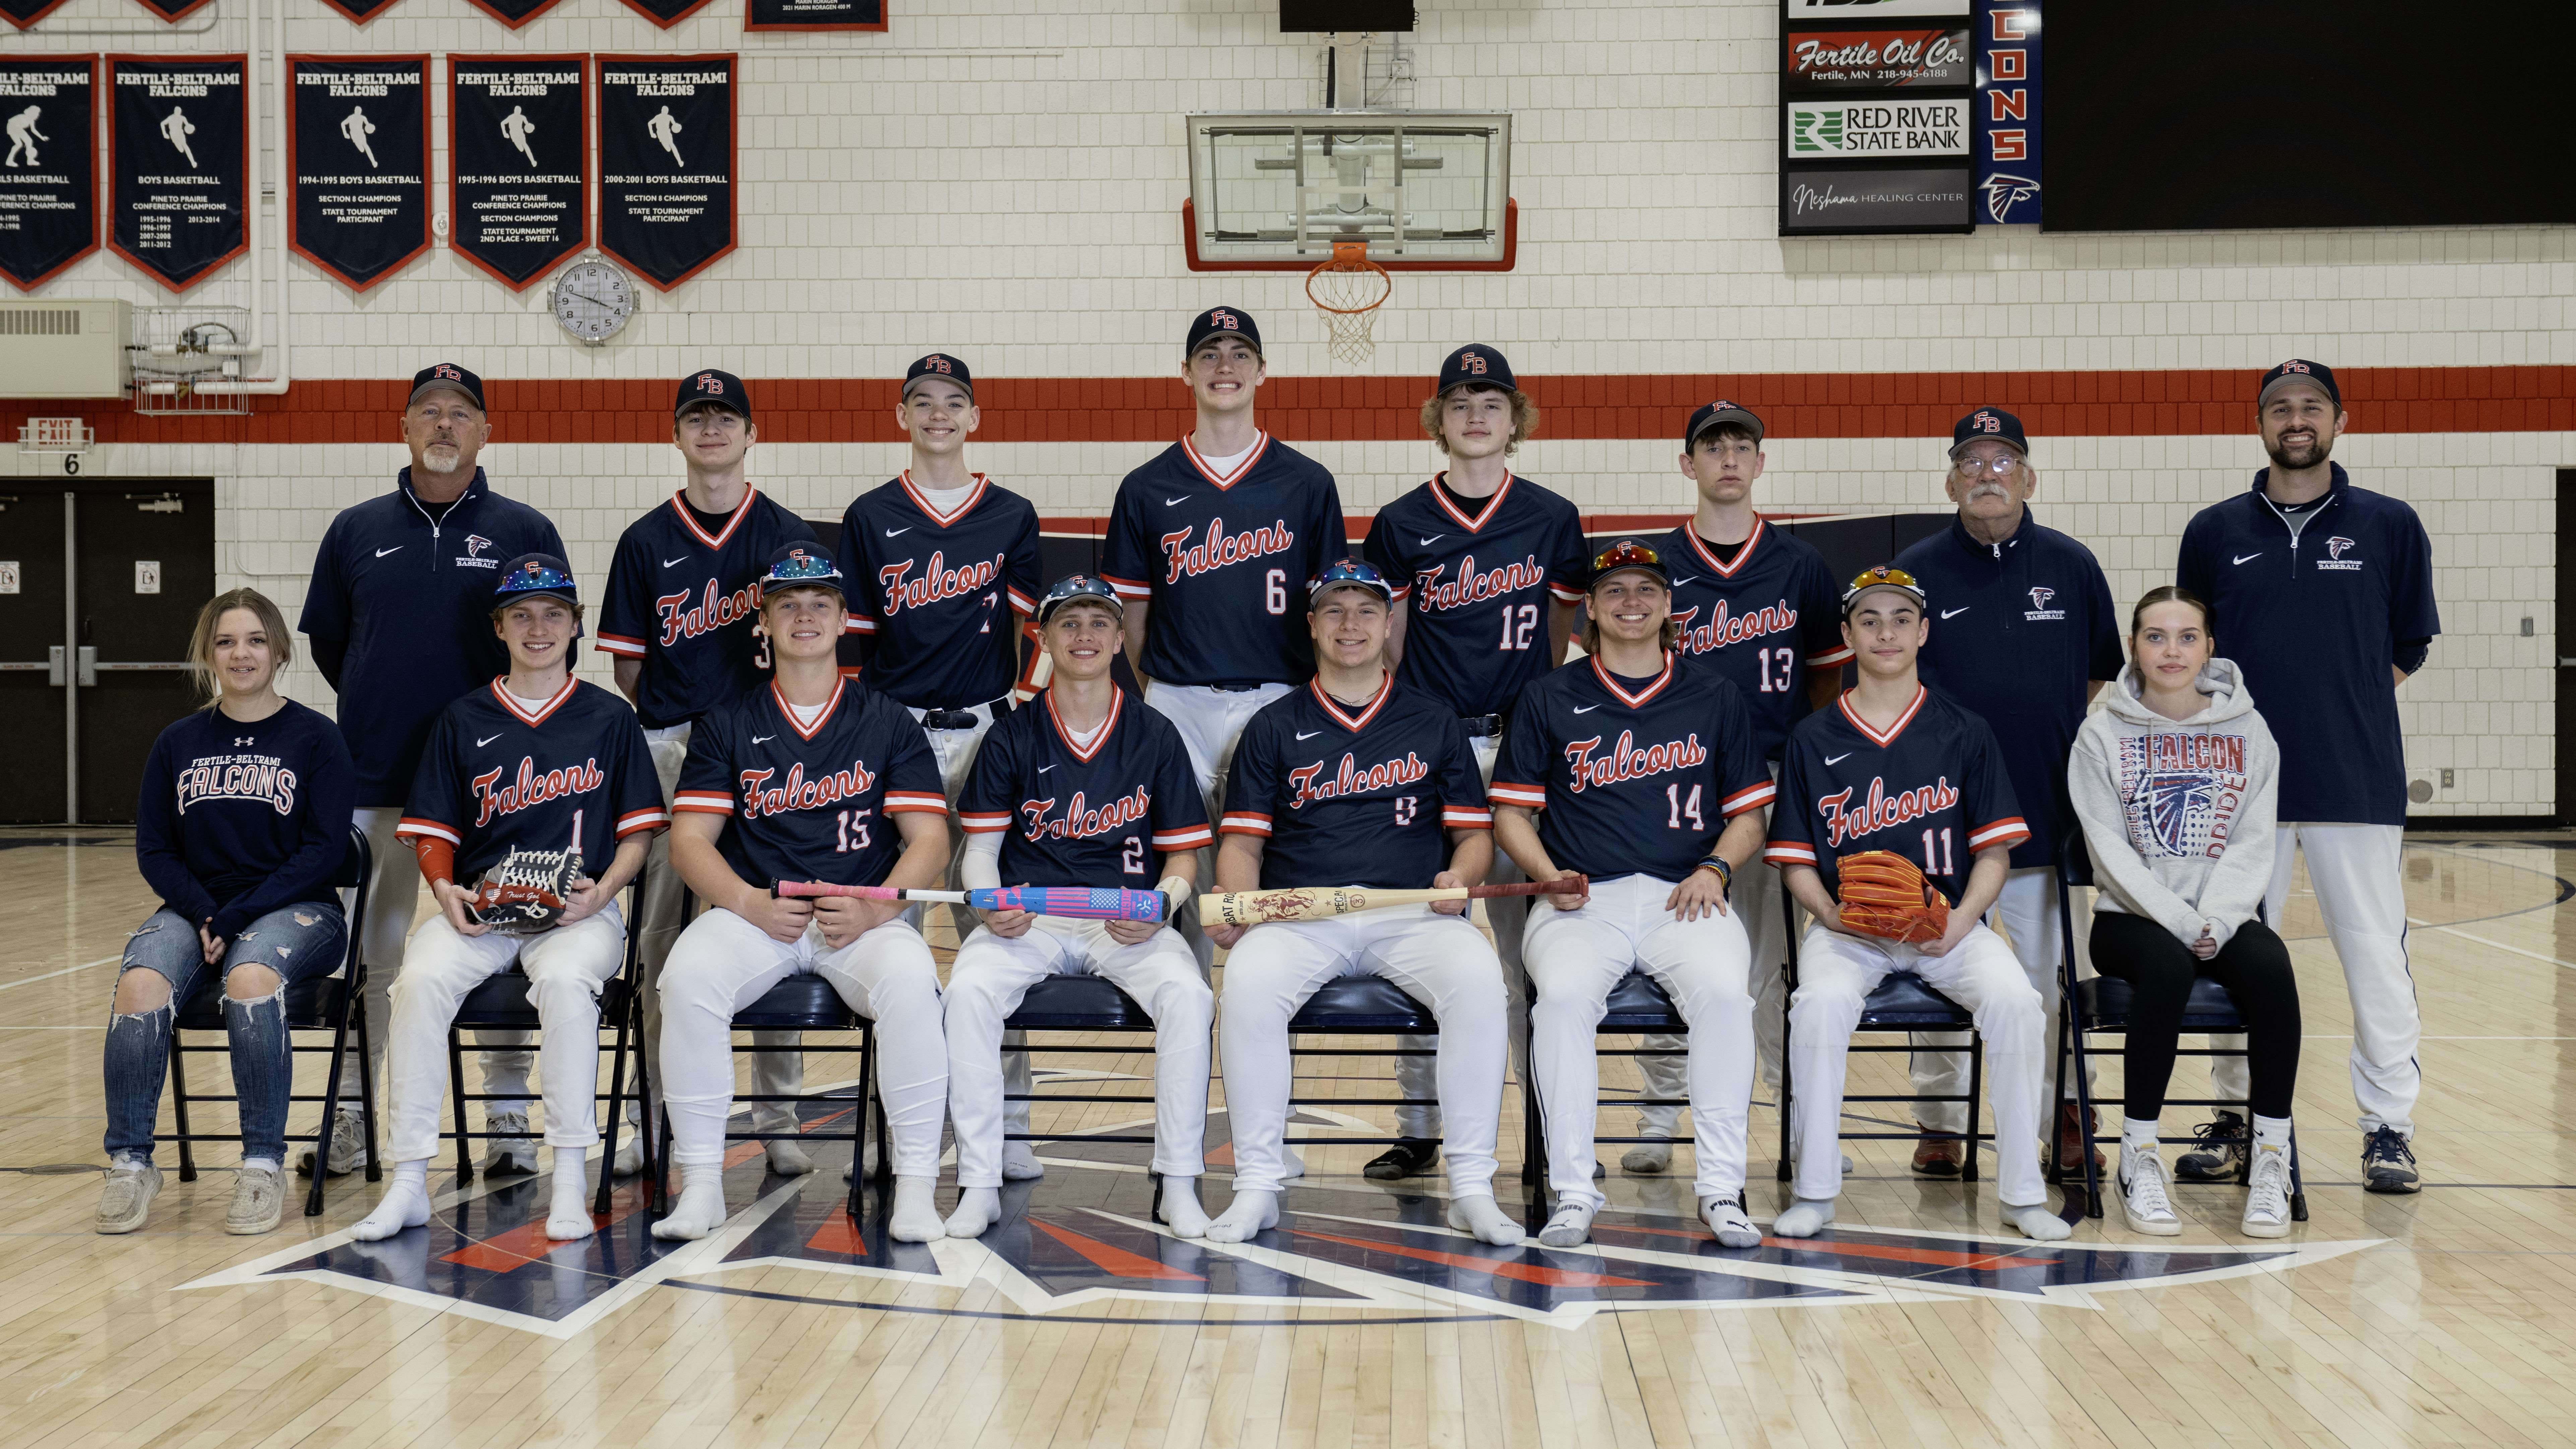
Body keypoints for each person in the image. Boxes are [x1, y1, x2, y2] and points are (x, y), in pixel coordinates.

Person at [2177, 359, 2437, 1195]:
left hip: (2352, 783)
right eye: (2280, 408)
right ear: (2259, 424)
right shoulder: (2213, 530)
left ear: (2338, 420)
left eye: (2311, 407)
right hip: (2235, 789)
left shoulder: (2390, 526)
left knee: (2373, 954)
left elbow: (2406, 648)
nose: (2296, 420)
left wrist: (2336, 711)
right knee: (2227, 955)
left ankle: (2388, 1126)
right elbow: (2188, 651)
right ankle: (2235, 1117)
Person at [300, 363, 566, 1178]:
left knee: (513, 942)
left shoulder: (526, 527)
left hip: (493, 790)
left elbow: (550, 646)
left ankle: (511, 1117)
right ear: (405, 428)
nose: (445, 425)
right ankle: (351, 1118)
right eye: (429, 413)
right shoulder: (355, 528)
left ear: (486, 432)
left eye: (461, 414)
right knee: (375, 956)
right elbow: (331, 646)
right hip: (379, 777)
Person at [1203, 559, 1516, 1247]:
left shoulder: (1431, 719)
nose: (1351, 624)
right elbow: (1242, 843)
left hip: (1409, 914)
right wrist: (1239, 900)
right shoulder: (1273, 724)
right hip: (1301, 914)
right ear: (1311, 625)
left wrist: (1459, 877)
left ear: (1388, 623)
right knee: (1248, 986)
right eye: (1335, 611)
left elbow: (1473, 835)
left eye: (1366, 610)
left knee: (1478, 980)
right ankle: (1257, 1183)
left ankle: (1470, 1182)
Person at [354, 555, 665, 1242]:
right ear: (498, 626)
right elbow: (433, 830)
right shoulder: (462, 718)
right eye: (521, 614)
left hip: (580, 911)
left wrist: (603, 891)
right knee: (420, 979)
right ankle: (407, 1178)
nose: (538, 628)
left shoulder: (610, 717)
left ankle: (570, 1179)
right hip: (485, 909)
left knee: (562, 981)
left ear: (576, 625)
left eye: (554, 613)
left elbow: (640, 835)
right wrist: (445, 889)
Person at [652, 543, 952, 1244]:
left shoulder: (885, 719)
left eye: (820, 602)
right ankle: (699, 1183)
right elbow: (689, 841)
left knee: (913, 983)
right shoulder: (728, 721)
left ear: (845, 618)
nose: (805, 615)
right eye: (788, 604)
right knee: (686, 977)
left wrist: (882, 903)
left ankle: (914, 1187)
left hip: (862, 917)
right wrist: (747, 902)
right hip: (761, 913)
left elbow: (930, 840)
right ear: (764, 623)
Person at [1768, 565, 2070, 1243]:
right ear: (1845, 634)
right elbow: (1792, 859)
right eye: (1869, 619)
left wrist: (1959, 922)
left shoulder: (1964, 730)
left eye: (1901, 618)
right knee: (1816, 1005)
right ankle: (1814, 1189)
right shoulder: (1813, 737)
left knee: (2019, 1002)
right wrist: (1833, 913)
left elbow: (1993, 853)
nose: (1885, 632)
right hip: (1848, 929)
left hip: (1953, 924)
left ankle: (2023, 1194)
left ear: (1923, 631)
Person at [1490, 539, 1774, 1248]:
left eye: (1645, 589)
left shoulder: (1714, 694)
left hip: (1689, 892)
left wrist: (1715, 868)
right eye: (1614, 591)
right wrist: (1547, 871)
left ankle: (1720, 1189)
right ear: (1587, 608)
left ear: (1669, 606)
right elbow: (1510, 814)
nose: (1630, 602)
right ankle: (1572, 1191)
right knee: (1558, 1002)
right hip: (1583, 899)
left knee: (1723, 996)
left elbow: (1749, 814)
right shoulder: (1548, 695)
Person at [1356, 343, 1588, 1183]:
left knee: (1540, 938)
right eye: (1460, 402)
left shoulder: (1552, 517)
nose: (1476, 415)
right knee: (1430, 929)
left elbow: (1564, 636)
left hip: (1526, 741)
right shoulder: (1400, 521)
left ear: (1515, 420)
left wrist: (1537, 716)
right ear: (1439, 421)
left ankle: (1544, 1117)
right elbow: (1390, 640)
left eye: (1491, 401)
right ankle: (1422, 1122)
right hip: (1435, 744)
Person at [596, 369, 821, 1178]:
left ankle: (779, 1115)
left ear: (751, 433)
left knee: (777, 916)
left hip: (772, 750)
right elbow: (628, 670)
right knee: (661, 937)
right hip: (669, 746)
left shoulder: (789, 534)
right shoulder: (645, 539)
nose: (713, 429)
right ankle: (656, 1114)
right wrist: (680, 720)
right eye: (698, 417)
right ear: (679, 434)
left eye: (727, 417)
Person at [942, 574, 1214, 1238]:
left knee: (1190, 994)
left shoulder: (1154, 733)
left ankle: (1177, 1180)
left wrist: (1161, 905)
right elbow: (979, 848)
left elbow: (1182, 860)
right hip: (1030, 919)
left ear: (1121, 638)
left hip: (1126, 921)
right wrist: (986, 902)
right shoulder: (1011, 734)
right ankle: (979, 1179)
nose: (1084, 636)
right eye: (1068, 623)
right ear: (1041, 637)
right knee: (968, 990)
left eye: (1098, 623)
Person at [1892, 407, 2121, 1177]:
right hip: (1936, 818)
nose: (1986, 473)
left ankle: (2061, 1104)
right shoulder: (1916, 567)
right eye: (1971, 462)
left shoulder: (2072, 565)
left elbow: (2095, 678)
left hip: (2040, 811)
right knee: (1937, 959)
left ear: (2028, 476)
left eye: (2002, 461)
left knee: (2048, 973)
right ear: (1950, 479)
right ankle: (1940, 1116)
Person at [835, 352, 1046, 1173]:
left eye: (952, 401)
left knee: (997, 931)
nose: (937, 415)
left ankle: (1010, 1124)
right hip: (899, 737)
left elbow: (1039, 636)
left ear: (973, 416)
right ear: (901, 416)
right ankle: (909, 1125)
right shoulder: (871, 514)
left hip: (990, 732)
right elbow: (851, 645)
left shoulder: (1011, 513)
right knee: (899, 932)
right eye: (921, 402)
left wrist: (1025, 720)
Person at [1626, 401, 1849, 1176]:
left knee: (1778, 961)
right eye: (1711, 446)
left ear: (1760, 462)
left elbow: (1825, 680)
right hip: (1671, 784)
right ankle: (1659, 1119)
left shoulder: (1801, 566)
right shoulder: (1653, 567)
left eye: (1741, 445)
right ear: (1686, 464)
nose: (1728, 457)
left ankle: (1794, 1118)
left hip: (1774, 781)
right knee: (1668, 951)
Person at [98, 589, 355, 1237]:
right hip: (199, 910)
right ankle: (130, 1162)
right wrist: (207, 912)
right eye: (226, 642)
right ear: (208, 654)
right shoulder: (178, 741)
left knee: (250, 979)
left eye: (255, 640)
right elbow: (155, 848)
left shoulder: (317, 739)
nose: (241, 654)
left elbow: (326, 851)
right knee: (140, 985)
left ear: (279, 649)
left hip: (299, 910)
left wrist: (238, 915)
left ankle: (262, 1163)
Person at [1102, 308, 1345, 987]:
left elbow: (1332, 612)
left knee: (1276, 894)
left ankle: (1268, 1073)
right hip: (1179, 700)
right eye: (1209, 354)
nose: (1225, 366)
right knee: (1183, 893)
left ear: (1263, 371)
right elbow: (1135, 620)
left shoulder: (1306, 482)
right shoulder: (1147, 486)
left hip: (1282, 698)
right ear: (1186, 372)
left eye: (1240, 353)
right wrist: (1168, 686)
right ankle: (1188, 1063)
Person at [2070, 587, 2301, 1237]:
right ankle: (2138, 1154)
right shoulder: (2101, 732)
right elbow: (2107, 847)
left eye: (2186, 636)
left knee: (2272, 965)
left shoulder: (2249, 730)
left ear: (2208, 647)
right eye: (2155, 636)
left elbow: (2254, 840)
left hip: (2221, 917)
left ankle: (2270, 1155)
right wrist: (2178, 918)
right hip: (2129, 919)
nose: (2171, 650)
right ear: (2133, 647)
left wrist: (2220, 919)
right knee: (2167, 968)